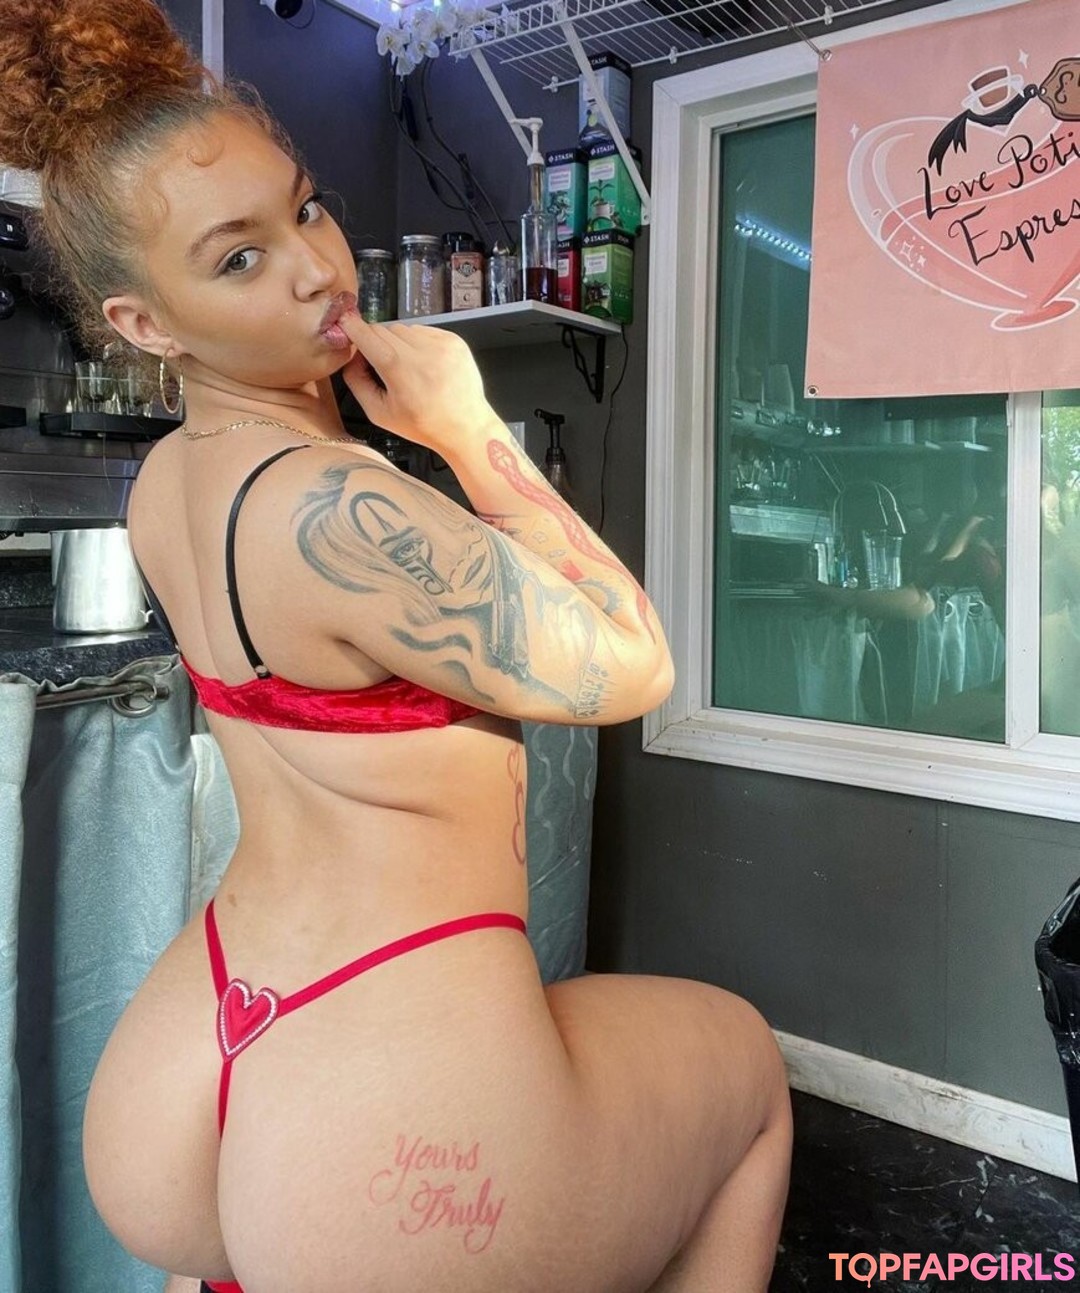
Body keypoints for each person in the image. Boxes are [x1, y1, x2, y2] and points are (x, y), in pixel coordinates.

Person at [1, 3, 791, 1289]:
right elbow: (636, 662)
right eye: (239, 259)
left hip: (206, 1045)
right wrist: (467, 428)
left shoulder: (167, 484)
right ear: (145, 325)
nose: (318, 269)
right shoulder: (338, 508)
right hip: (375, 1081)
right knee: (748, 1069)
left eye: (304, 210)